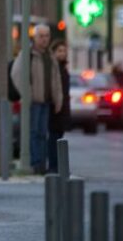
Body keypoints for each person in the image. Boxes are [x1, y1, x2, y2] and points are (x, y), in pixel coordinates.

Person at [11, 23, 62, 175]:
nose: (44, 39)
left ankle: (41, 163)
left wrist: (58, 98)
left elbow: (56, 79)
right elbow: (16, 74)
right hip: (33, 101)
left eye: (47, 36)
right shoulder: (28, 54)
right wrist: (27, 93)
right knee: (33, 133)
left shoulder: (50, 56)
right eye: (41, 36)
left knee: (42, 133)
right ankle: (35, 163)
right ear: (35, 37)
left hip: (46, 101)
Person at [48, 39, 70, 173]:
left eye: (64, 51)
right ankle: (53, 166)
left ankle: (58, 166)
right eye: (59, 51)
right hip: (55, 107)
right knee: (53, 137)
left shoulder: (63, 68)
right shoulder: (54, 67)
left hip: (63, 107)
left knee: (59, 136)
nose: (63, 54)